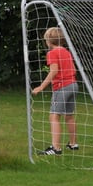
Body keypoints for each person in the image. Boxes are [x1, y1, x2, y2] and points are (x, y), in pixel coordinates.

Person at [32, 26, 78, 155]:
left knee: (54, 116)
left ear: (48, 41)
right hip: (73, 85)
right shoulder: (66, 52)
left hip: (62, 87)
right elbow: (74, 70)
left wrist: (41, 87)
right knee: (69, 116)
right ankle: (73, 144)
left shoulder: (52, 53)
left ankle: (55, 148)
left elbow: (54, 71)